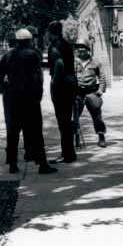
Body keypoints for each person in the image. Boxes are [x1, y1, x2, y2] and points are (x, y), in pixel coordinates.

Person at [0, 29, 56, 174]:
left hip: (12, 100)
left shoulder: (7, 56)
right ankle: (42, 164)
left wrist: (5, 89)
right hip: (30, 99)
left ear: (16, 41)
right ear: (29, 41)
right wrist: (39, 94)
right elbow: (38, 77)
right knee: (35, 132)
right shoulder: (33, 55)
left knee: (12, 132)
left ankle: (12, 164)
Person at [48, 19, 77, 163]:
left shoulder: (55, 45)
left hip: (61, 86)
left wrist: (54, 82)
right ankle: (69, 153)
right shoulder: (67, 44)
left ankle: (67, 154)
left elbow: (59, 64)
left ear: (50, 33)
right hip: (71, 83)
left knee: (63, 121)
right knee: (67, 120)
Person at [74, 37, 107, 148]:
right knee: (74, 117)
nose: (80, 50)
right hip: (77, 93)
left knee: (97, 116)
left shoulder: (95, 62)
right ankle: (75, 137)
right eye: (78, 48)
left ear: (88, 49)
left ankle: (101, 136)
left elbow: (102, 77)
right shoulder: (73, 62)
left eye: (83, 48)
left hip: (91, 92)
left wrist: (101, 90)